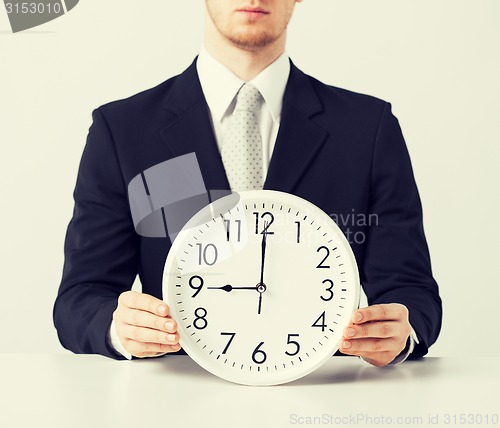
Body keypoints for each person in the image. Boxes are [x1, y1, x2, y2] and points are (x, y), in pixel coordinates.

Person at [54, 0, 442, 367]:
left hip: (321, 396)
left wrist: (398, 332)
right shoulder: (124, 131)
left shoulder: (366, 128)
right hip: (174, 398)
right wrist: (118, 327)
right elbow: (81, 297)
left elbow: (411, 291)